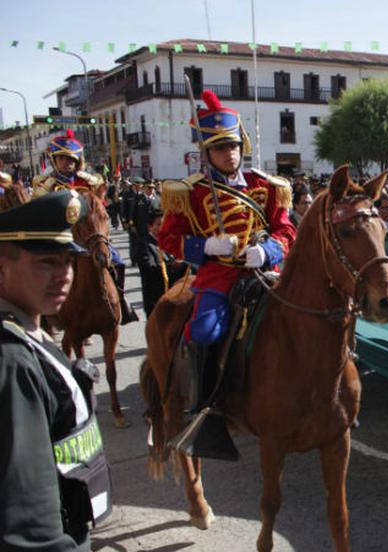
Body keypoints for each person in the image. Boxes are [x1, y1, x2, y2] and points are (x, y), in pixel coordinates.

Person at [0, 190, 113, 552]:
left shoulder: (28, 330)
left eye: (68, 261)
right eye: (47, 262)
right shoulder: (11, 360)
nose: (64, 274)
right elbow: (23, 489)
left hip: (64, 543)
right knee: (206, 325)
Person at [158, 90, 295, 451]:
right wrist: (204, 247)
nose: (229, 153)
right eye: (220, 148)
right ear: (207, 154)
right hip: (220, 274)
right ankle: (205, 408)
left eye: (233, 146)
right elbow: (167, 238)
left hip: (265, 271)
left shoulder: (267, 186)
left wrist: (266, 250)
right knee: (204, 330)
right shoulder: (188, 192)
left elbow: (286, 230)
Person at [33, 130, 138, 324]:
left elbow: (100, 207)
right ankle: (45, 312)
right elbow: (39, 210)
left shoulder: (89, 181)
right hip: (61, 235)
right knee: (43, 267)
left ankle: (121, 301)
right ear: (54, 160)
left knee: (117, 261)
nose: (67, 163)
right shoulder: (46, 183)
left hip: (88, 235)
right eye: (62, 159)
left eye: (71, 159)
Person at [133, 212, 191, 318]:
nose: (162, 228)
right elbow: (149, 270)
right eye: (159, 224)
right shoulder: (144, 245)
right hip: (156, 299)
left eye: (165, 224)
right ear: (150, 227)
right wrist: (173, 266)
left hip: (175, 297)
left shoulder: (170, 241)